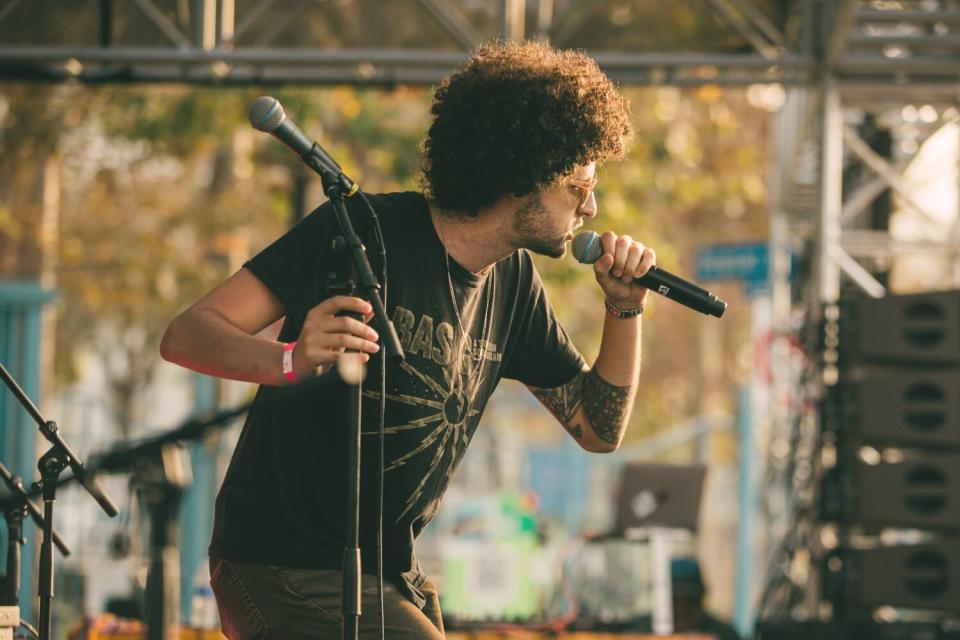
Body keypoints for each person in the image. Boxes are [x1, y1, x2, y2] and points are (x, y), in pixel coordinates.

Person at [160, 39, 654, 639]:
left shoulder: (514, 285)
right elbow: (188, 334)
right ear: (527, 172)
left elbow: (598, 430)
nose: (592, 206)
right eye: (579, 186)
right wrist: (287, 359)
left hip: (388, 574)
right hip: (278, 561)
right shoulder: (364, 230)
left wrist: (624, 310)